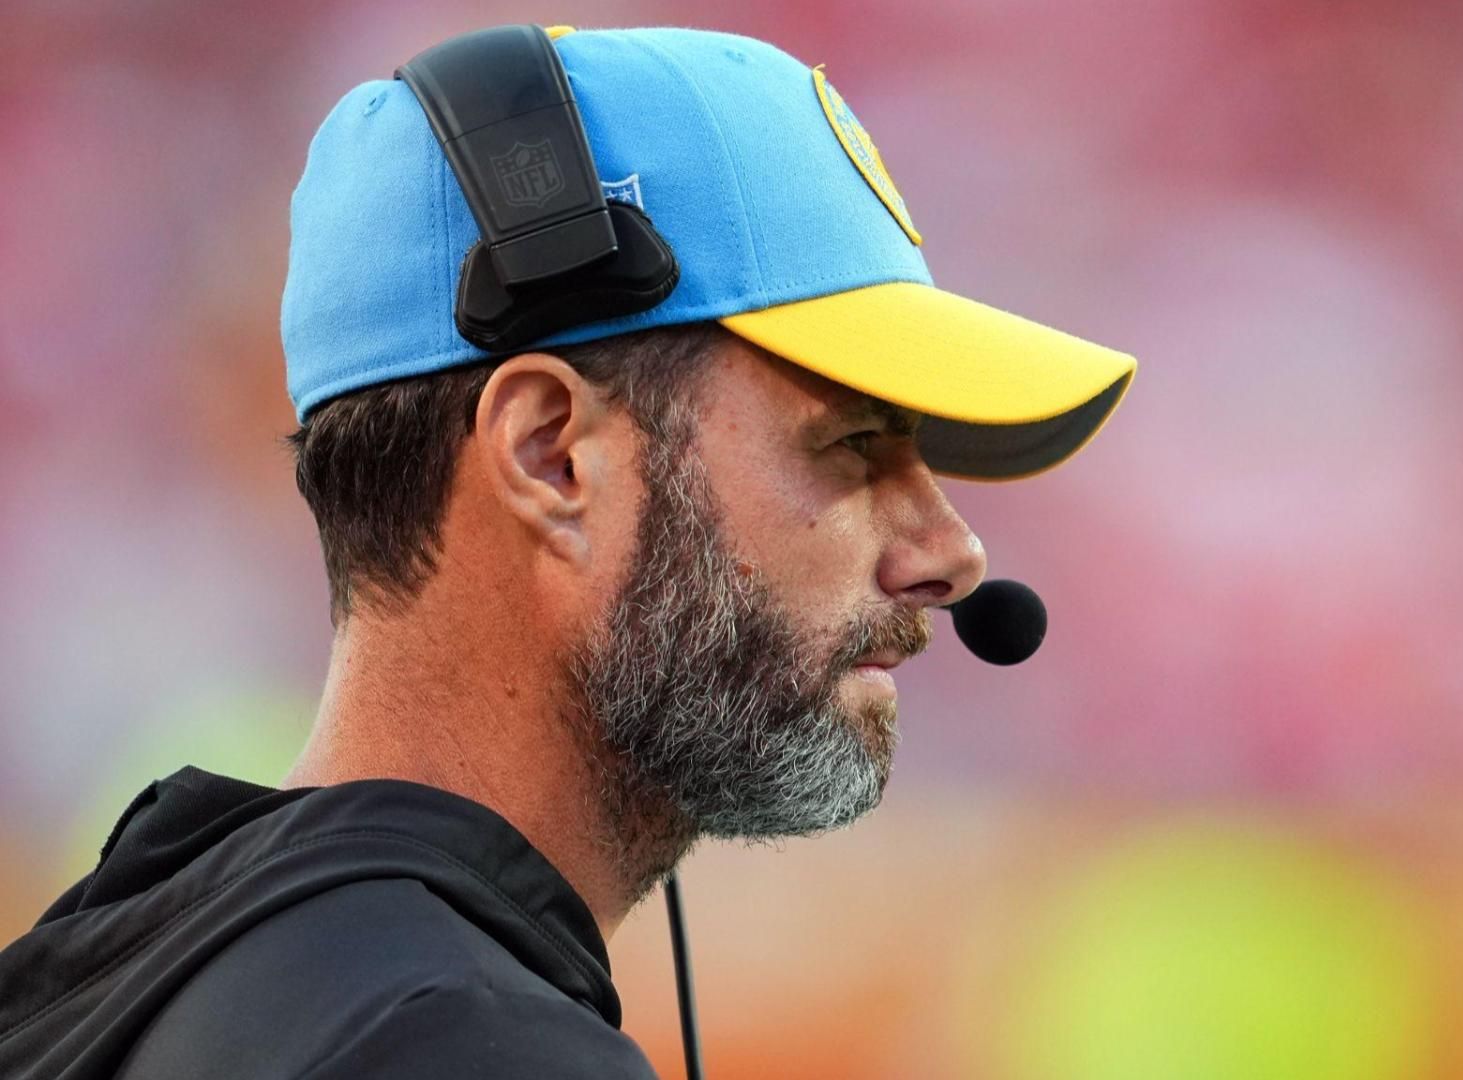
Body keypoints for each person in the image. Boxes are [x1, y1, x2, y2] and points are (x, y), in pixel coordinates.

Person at [0, 24, 1133, 1079]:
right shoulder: (452, 1042)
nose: (951, 552)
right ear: (549, 455)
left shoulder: (149, 972)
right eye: (851, 445)